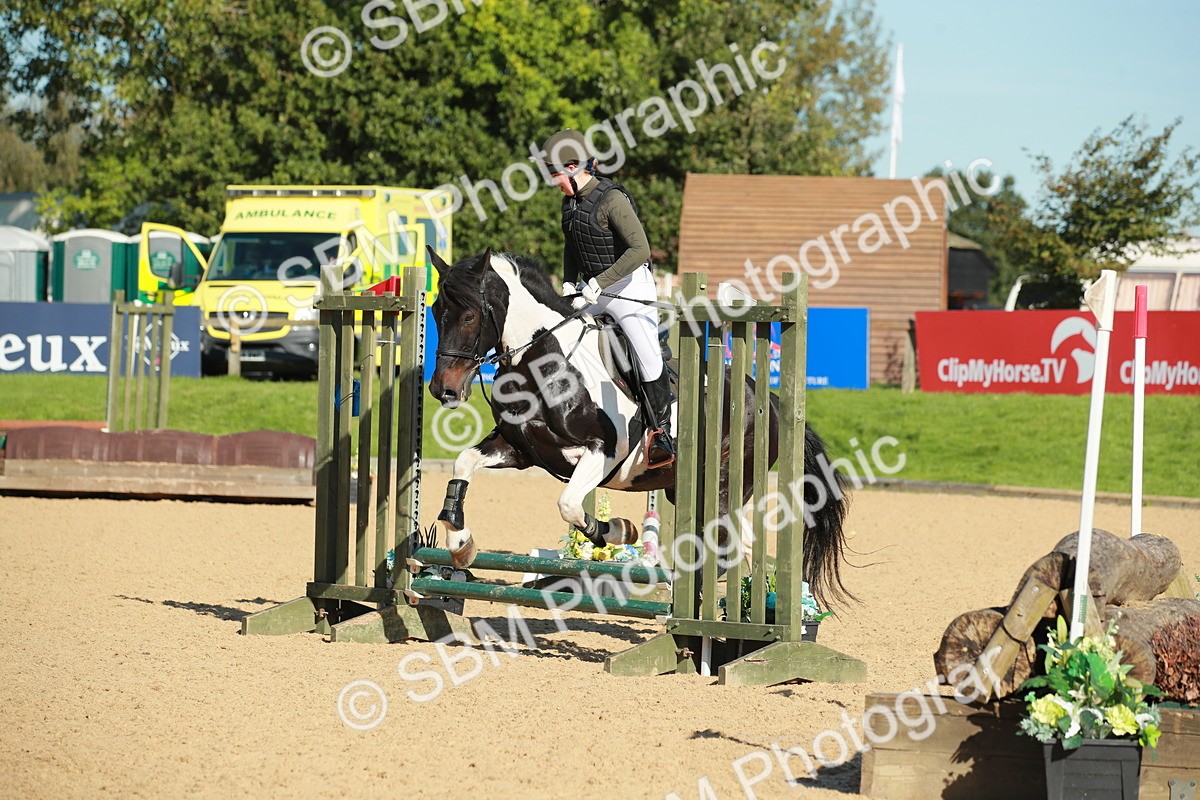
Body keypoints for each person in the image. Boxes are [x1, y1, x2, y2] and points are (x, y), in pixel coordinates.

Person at [536, 129, 675, 468]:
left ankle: (662, 435)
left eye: (555, 173)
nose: (553, 181)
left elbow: (639, 249)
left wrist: (600, 282)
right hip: (593, 291)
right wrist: (569, 284)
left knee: (647, 357)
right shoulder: (569, 204)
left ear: (572, 167)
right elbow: (572, 247)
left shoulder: (612, 199)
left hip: (629, 289)